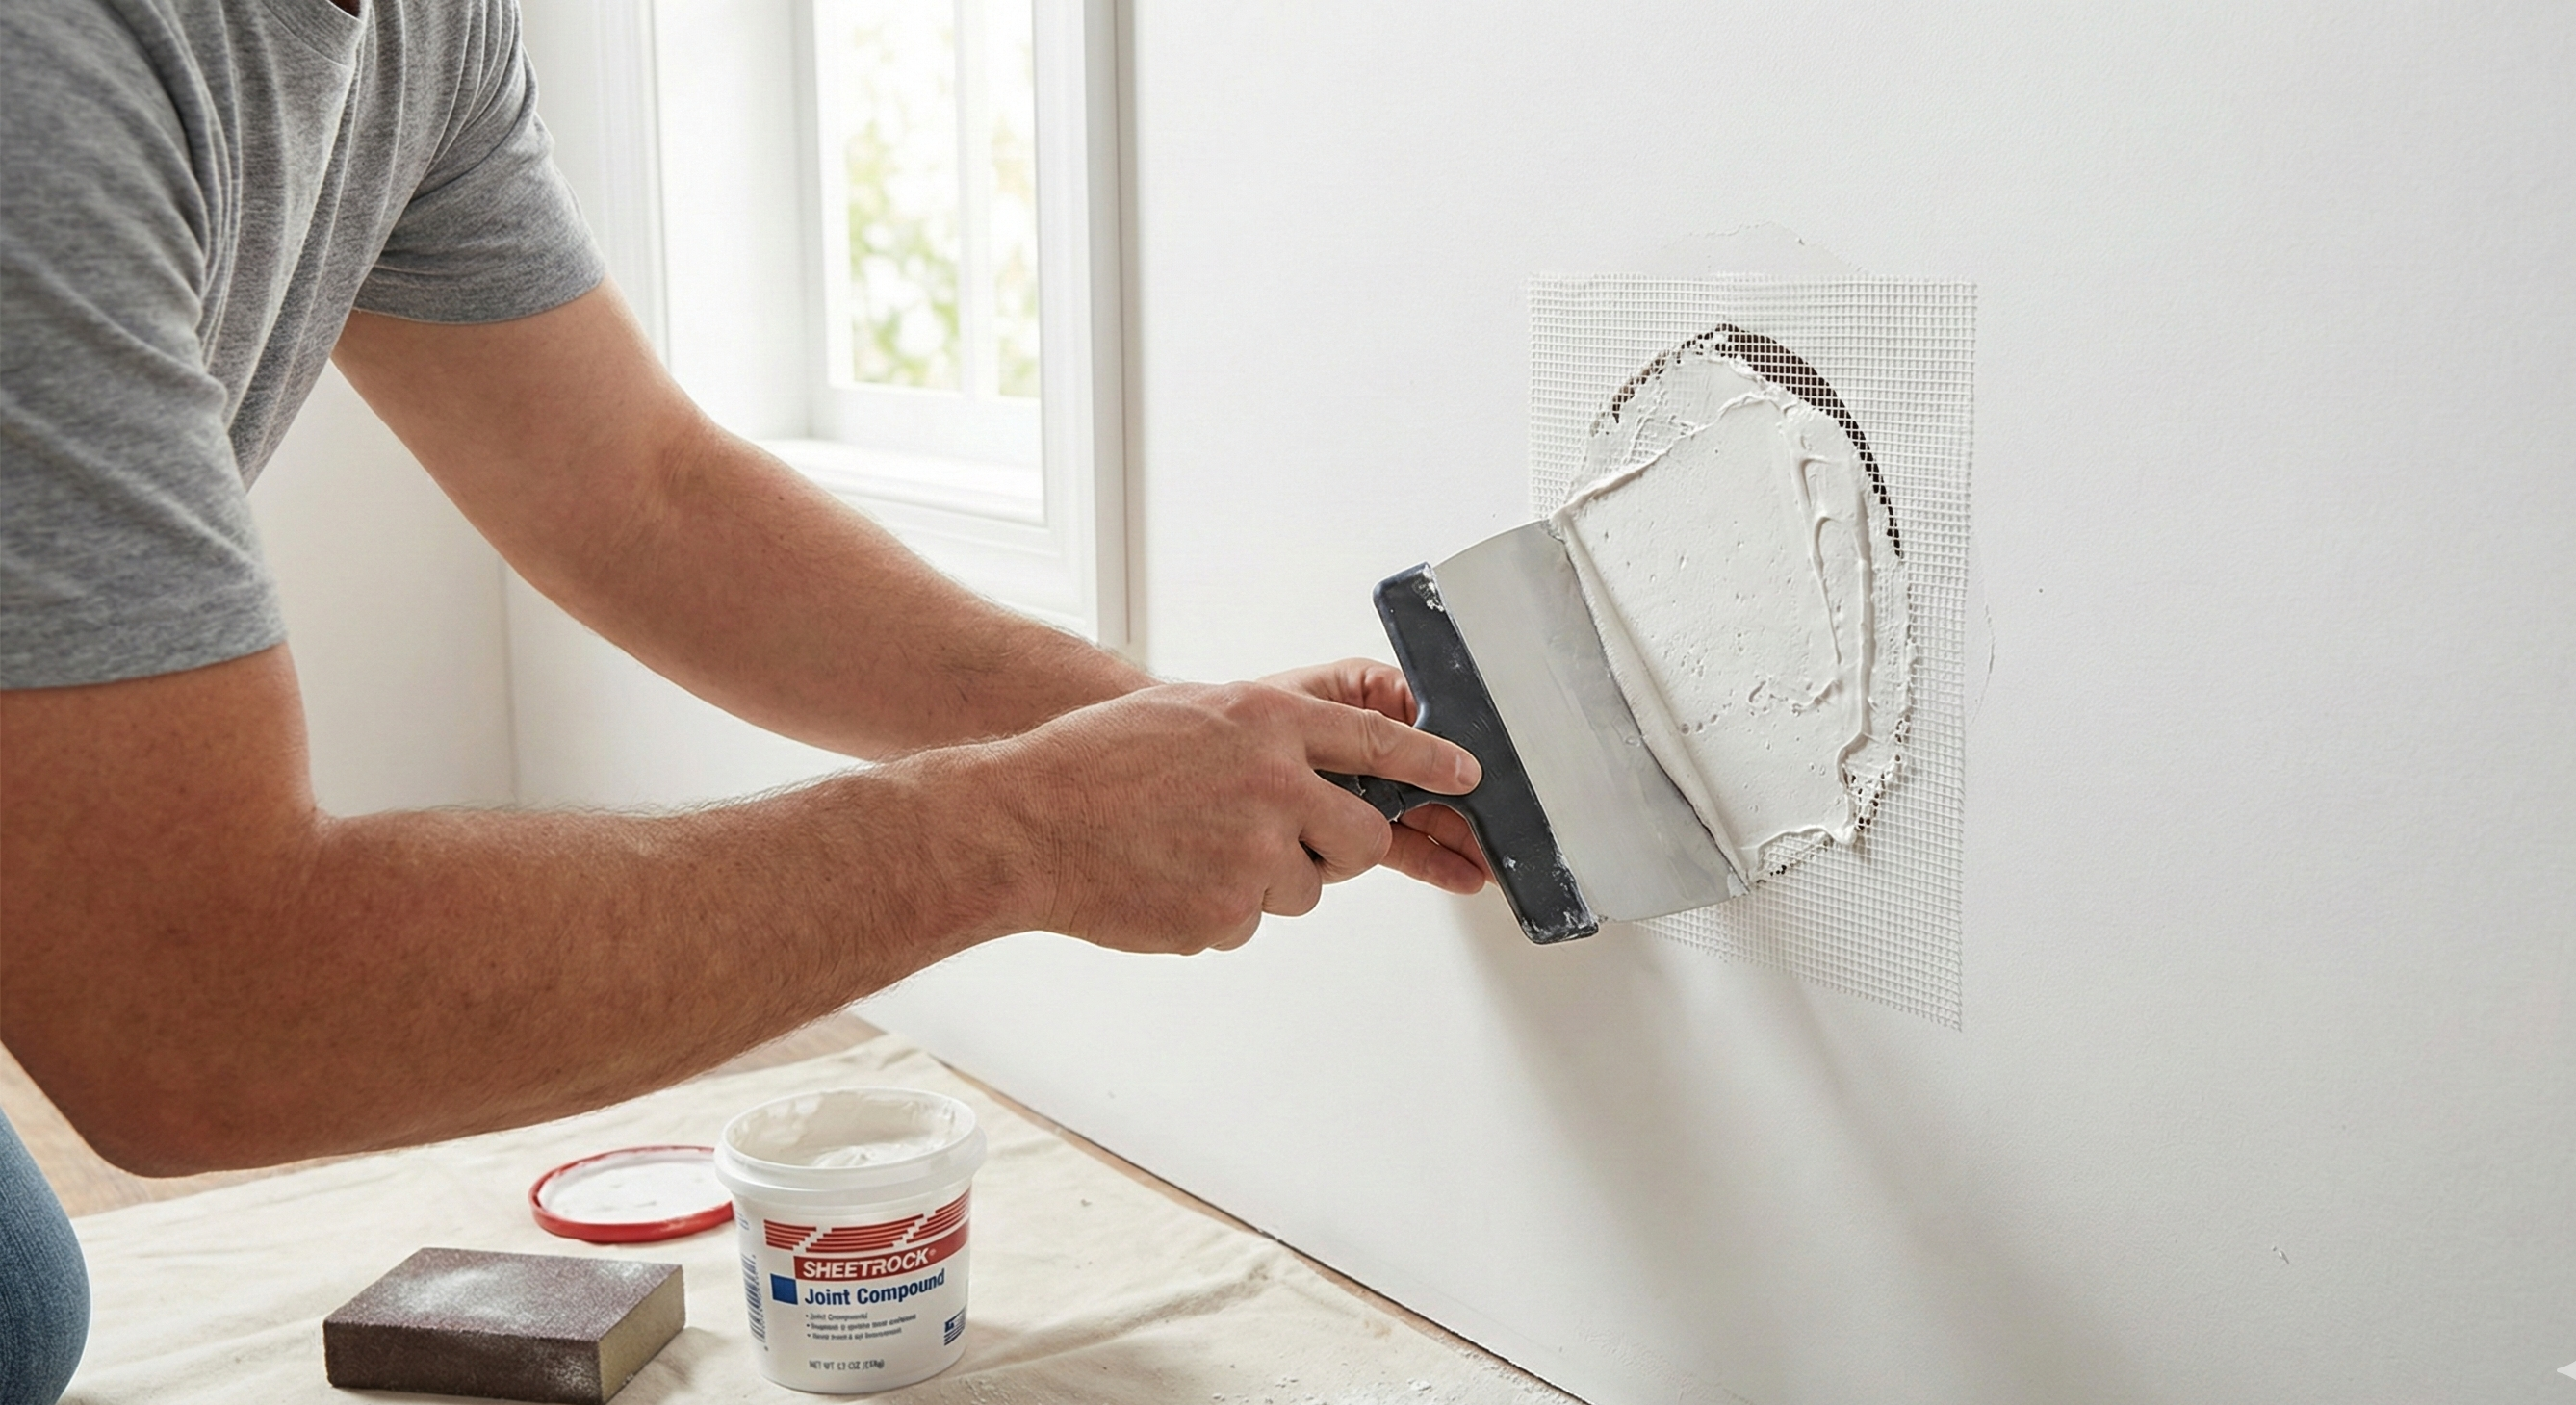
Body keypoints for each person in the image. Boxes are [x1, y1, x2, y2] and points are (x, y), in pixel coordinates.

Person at [0, 2, 1487, 1396]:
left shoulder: (414, 32)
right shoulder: (48, 79)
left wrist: (1170, 732)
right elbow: (200, 1008)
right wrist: (1022, 831)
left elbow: (638, 491)